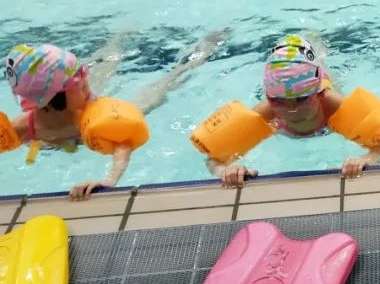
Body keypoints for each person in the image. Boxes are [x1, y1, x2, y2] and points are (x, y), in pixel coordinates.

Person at [1, 33, 223, 199]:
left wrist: (109, 180)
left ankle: (197, 54)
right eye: (78, 83)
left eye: (83, 74)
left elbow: (122, 145)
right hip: (64, 132)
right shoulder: (23, 127)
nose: (85, 82)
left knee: (159, 90)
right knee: (103, 71)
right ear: (50, 99)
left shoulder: (97, 110)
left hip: (103, 115)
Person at [193, 34, 380, 187]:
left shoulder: (335, 106)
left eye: (302, 99)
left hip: (322, 83)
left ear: (319, 94)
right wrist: (227, 171)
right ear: (269, 97)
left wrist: (364, 160)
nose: (292, 109)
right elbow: (214, 159)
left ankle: (316, 45)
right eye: (280, 101)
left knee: (322, 64)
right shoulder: (264, 114)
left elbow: (378, 149)